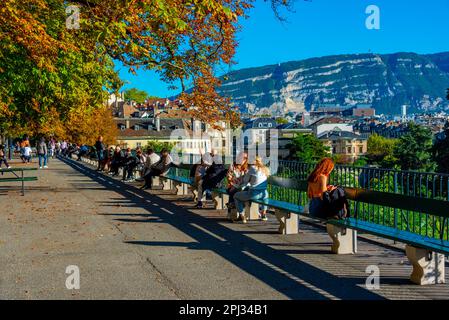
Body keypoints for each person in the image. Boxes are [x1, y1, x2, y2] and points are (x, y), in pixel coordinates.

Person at [233, 156, 270, 223]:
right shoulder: (265, 168)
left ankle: (241, 215)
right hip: (264, 194)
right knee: (265, 198)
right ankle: (263, 214)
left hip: (254, 194)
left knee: (236, 196)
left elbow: (245, 180)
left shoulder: (253, 168)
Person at [225, 152, 248, 216]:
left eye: (245, 158)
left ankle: (239, 212)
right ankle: (231, 212)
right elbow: (228, 178)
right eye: (243, 158)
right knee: (233, 191)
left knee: (241, 192)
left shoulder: (247, 167)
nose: (244, 159)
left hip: (242, 187)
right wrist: (233, 184)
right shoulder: (232, 166)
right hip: (232, 186)